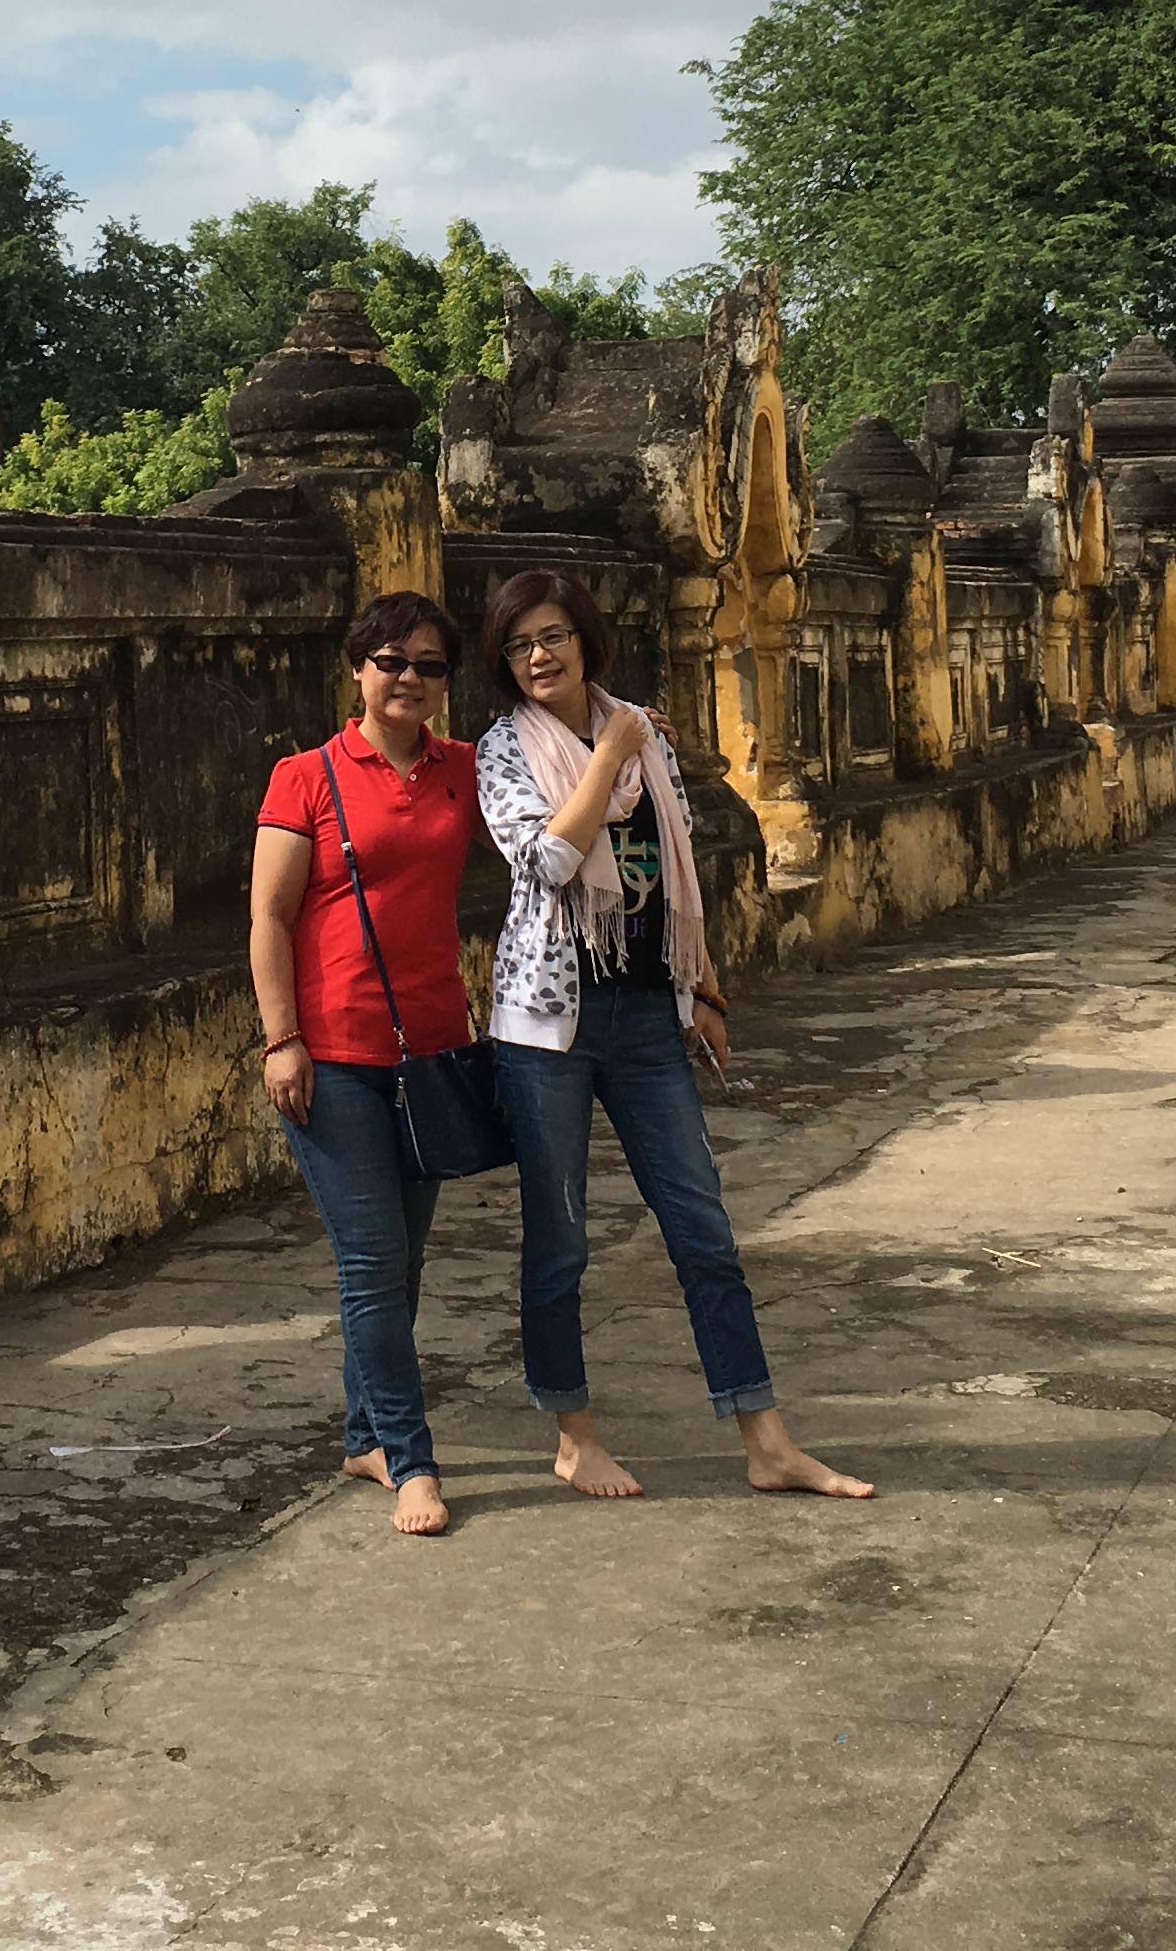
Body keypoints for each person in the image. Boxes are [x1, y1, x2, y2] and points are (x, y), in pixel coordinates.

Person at [473, 565, 874, 1503]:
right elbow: (551, 859)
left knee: (704, 1231)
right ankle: (574, 1437)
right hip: (548, 1024)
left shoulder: (645, 737)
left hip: (650, 1012)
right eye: (519, 645)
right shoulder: (504, 750)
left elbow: (681, 867)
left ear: (586, 639)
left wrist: (707, 993)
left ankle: (766, 1440)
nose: (538, 656)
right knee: (561, 1241)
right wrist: (609, 753)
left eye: (553, 636)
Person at [249, 588, 485, 1537]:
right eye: (390, 661)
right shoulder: (305, 777)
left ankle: (364, 1437)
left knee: (403, 1262)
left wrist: (629, 737)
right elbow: (269, 917)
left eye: (429, 665)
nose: (408, 679)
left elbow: (561, 787)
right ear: (358, 667)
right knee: (372, 1261)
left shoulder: (463, 769)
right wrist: (281, 1039)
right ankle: (412, 1458)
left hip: (431, 1052)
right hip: (334, 1055)